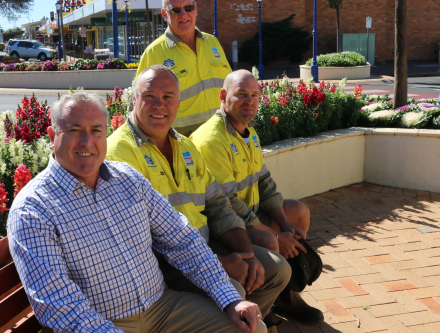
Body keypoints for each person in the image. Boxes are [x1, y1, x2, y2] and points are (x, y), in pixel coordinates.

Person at [7, 91, 267, 333]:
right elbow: (57, 302)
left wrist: (231, 299)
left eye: (96, 131)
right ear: (52, 136)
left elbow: (182, 239)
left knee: (250, 328)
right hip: (104, 322)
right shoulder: (33, 209)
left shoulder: (127, 178)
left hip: (164, 308)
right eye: (74, 130)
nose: (87, 142)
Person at [106, 65, 290, 328]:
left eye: (168, 97)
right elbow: (140, 240)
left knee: (276, 270)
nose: (159, 105)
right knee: (234, 287)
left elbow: (218, 205)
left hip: (205, 244)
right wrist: (219, 264)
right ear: (134, 100)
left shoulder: (184, 145)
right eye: (149, 96)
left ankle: (248, 323)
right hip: (166, 264)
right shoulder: (119, 154)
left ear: (178, 103)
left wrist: (245, 252)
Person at [190, 70, 324, 325]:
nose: (249, 100)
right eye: (241, 94)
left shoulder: (249, 133)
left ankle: (287, 295)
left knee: (298, 212)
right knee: (268, 241)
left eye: (254, 95)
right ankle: (264, 308)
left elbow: (264, 182)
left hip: (250, 213)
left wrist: (286, 225)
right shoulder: (211, 140)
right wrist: (275, 235)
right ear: (223, 96)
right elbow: (227, 203)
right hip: (226, 223)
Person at [135, 0, 231, 136]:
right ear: (164, 14)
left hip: (222, 137)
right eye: (175, 10)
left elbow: (230, 87)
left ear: (196, 8)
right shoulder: (154, 53)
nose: (183, 14)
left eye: (189, 7)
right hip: (184, 143)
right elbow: (137, 106)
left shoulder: (212, 42)